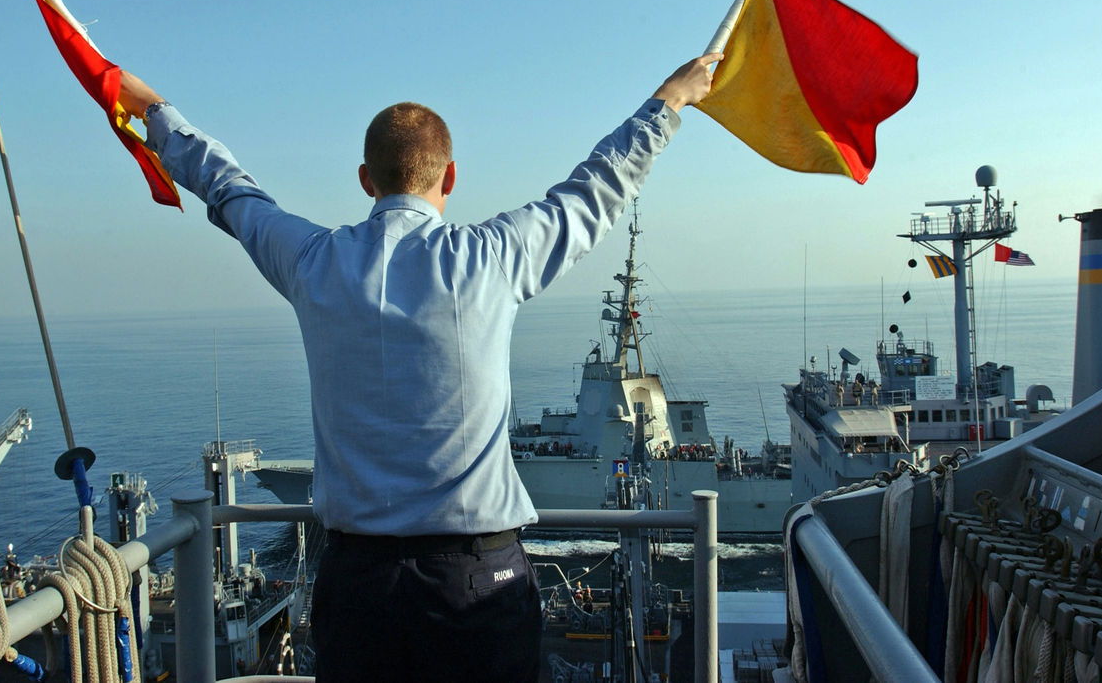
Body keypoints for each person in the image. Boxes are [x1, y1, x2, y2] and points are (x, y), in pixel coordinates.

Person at [118, 52, 719, 682]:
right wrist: (670, 100)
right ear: (450, 176)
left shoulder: (314, 262)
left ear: (365, 179)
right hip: (480, 585)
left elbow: (228, 186)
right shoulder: (493, 257)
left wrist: (151, 110)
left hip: (358, 586)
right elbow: (599, 186)